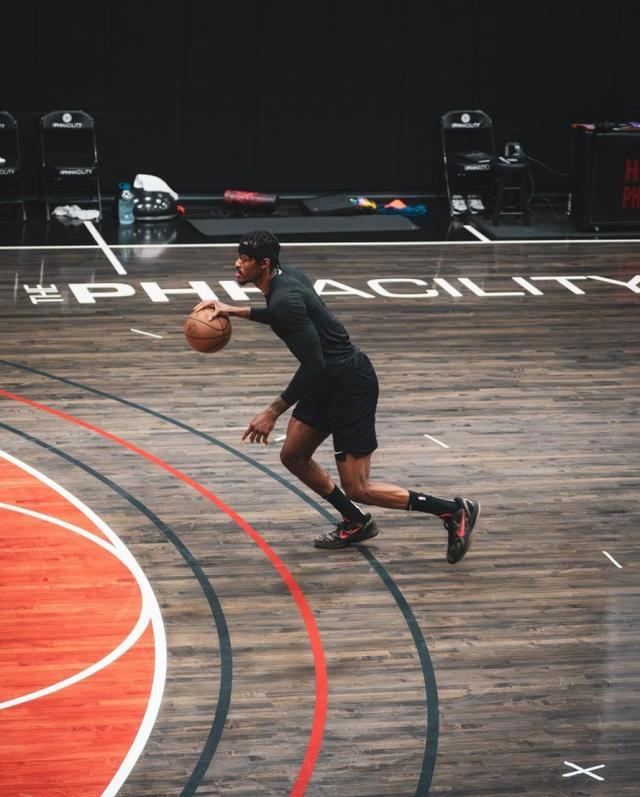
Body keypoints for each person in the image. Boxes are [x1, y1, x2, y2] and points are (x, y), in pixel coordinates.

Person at [193, 230, 480, 562]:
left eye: (244, 259)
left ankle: (452, 511)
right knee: (293, 455)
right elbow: (291, 320)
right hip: (325, 381)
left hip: (349, 386)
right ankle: (356, 521)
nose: (237, 264)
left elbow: (312, 361)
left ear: (264, 264)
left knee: (359, 487)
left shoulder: (285, 300)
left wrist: (272, 412)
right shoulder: (287, 279)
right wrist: (234, 310)